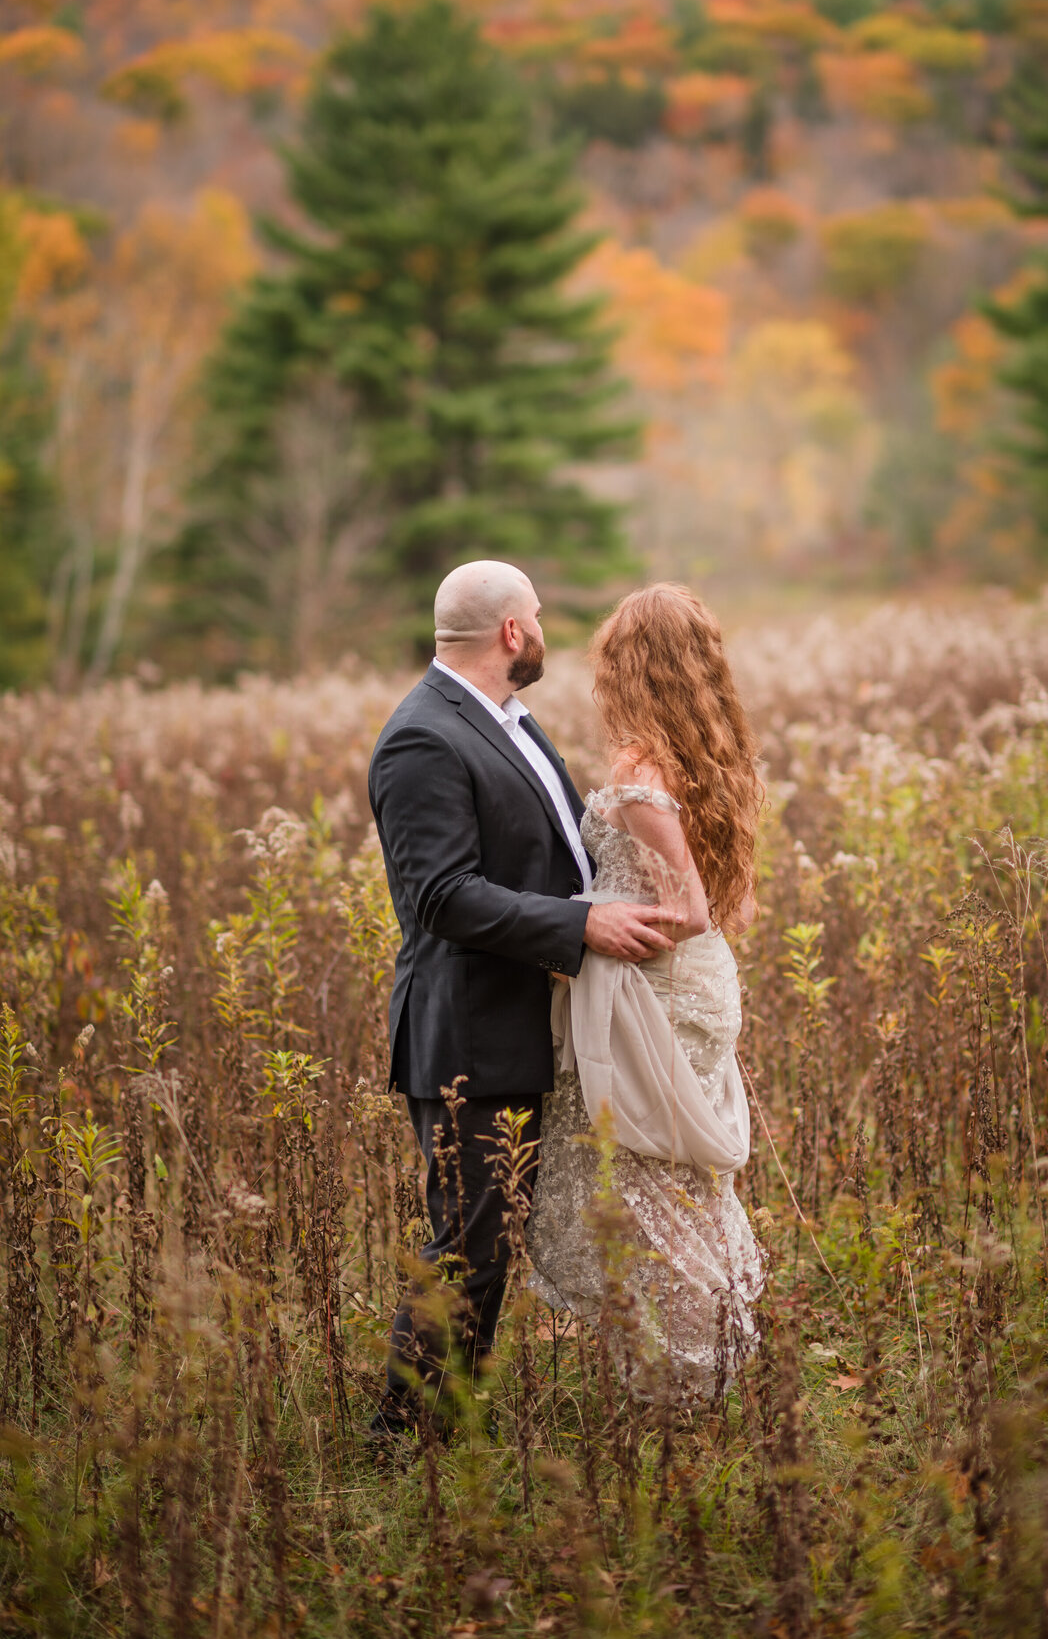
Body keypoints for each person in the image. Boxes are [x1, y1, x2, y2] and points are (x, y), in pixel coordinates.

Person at [366, 560, 678, 1437]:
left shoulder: (507, 721)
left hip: (519, 1023)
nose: (543, 630)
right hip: (467, 1034)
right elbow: (439, 895)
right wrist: (578, 928)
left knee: (488, 1240)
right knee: (468, 1245)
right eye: (536, 616)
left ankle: (441, 1422)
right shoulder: (423, 737)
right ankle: (406, 1437)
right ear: (512, 632)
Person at [527, 583, 765, 1400]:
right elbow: (722, 901)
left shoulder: (639, 771)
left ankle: (684, 1376)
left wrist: (594, 932)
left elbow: (690, 911)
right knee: (672, 1181)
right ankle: (698, 1359)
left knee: (643, 1183)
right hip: (693, 984)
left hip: (658, 990)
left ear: (632, 667)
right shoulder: (709, 756)